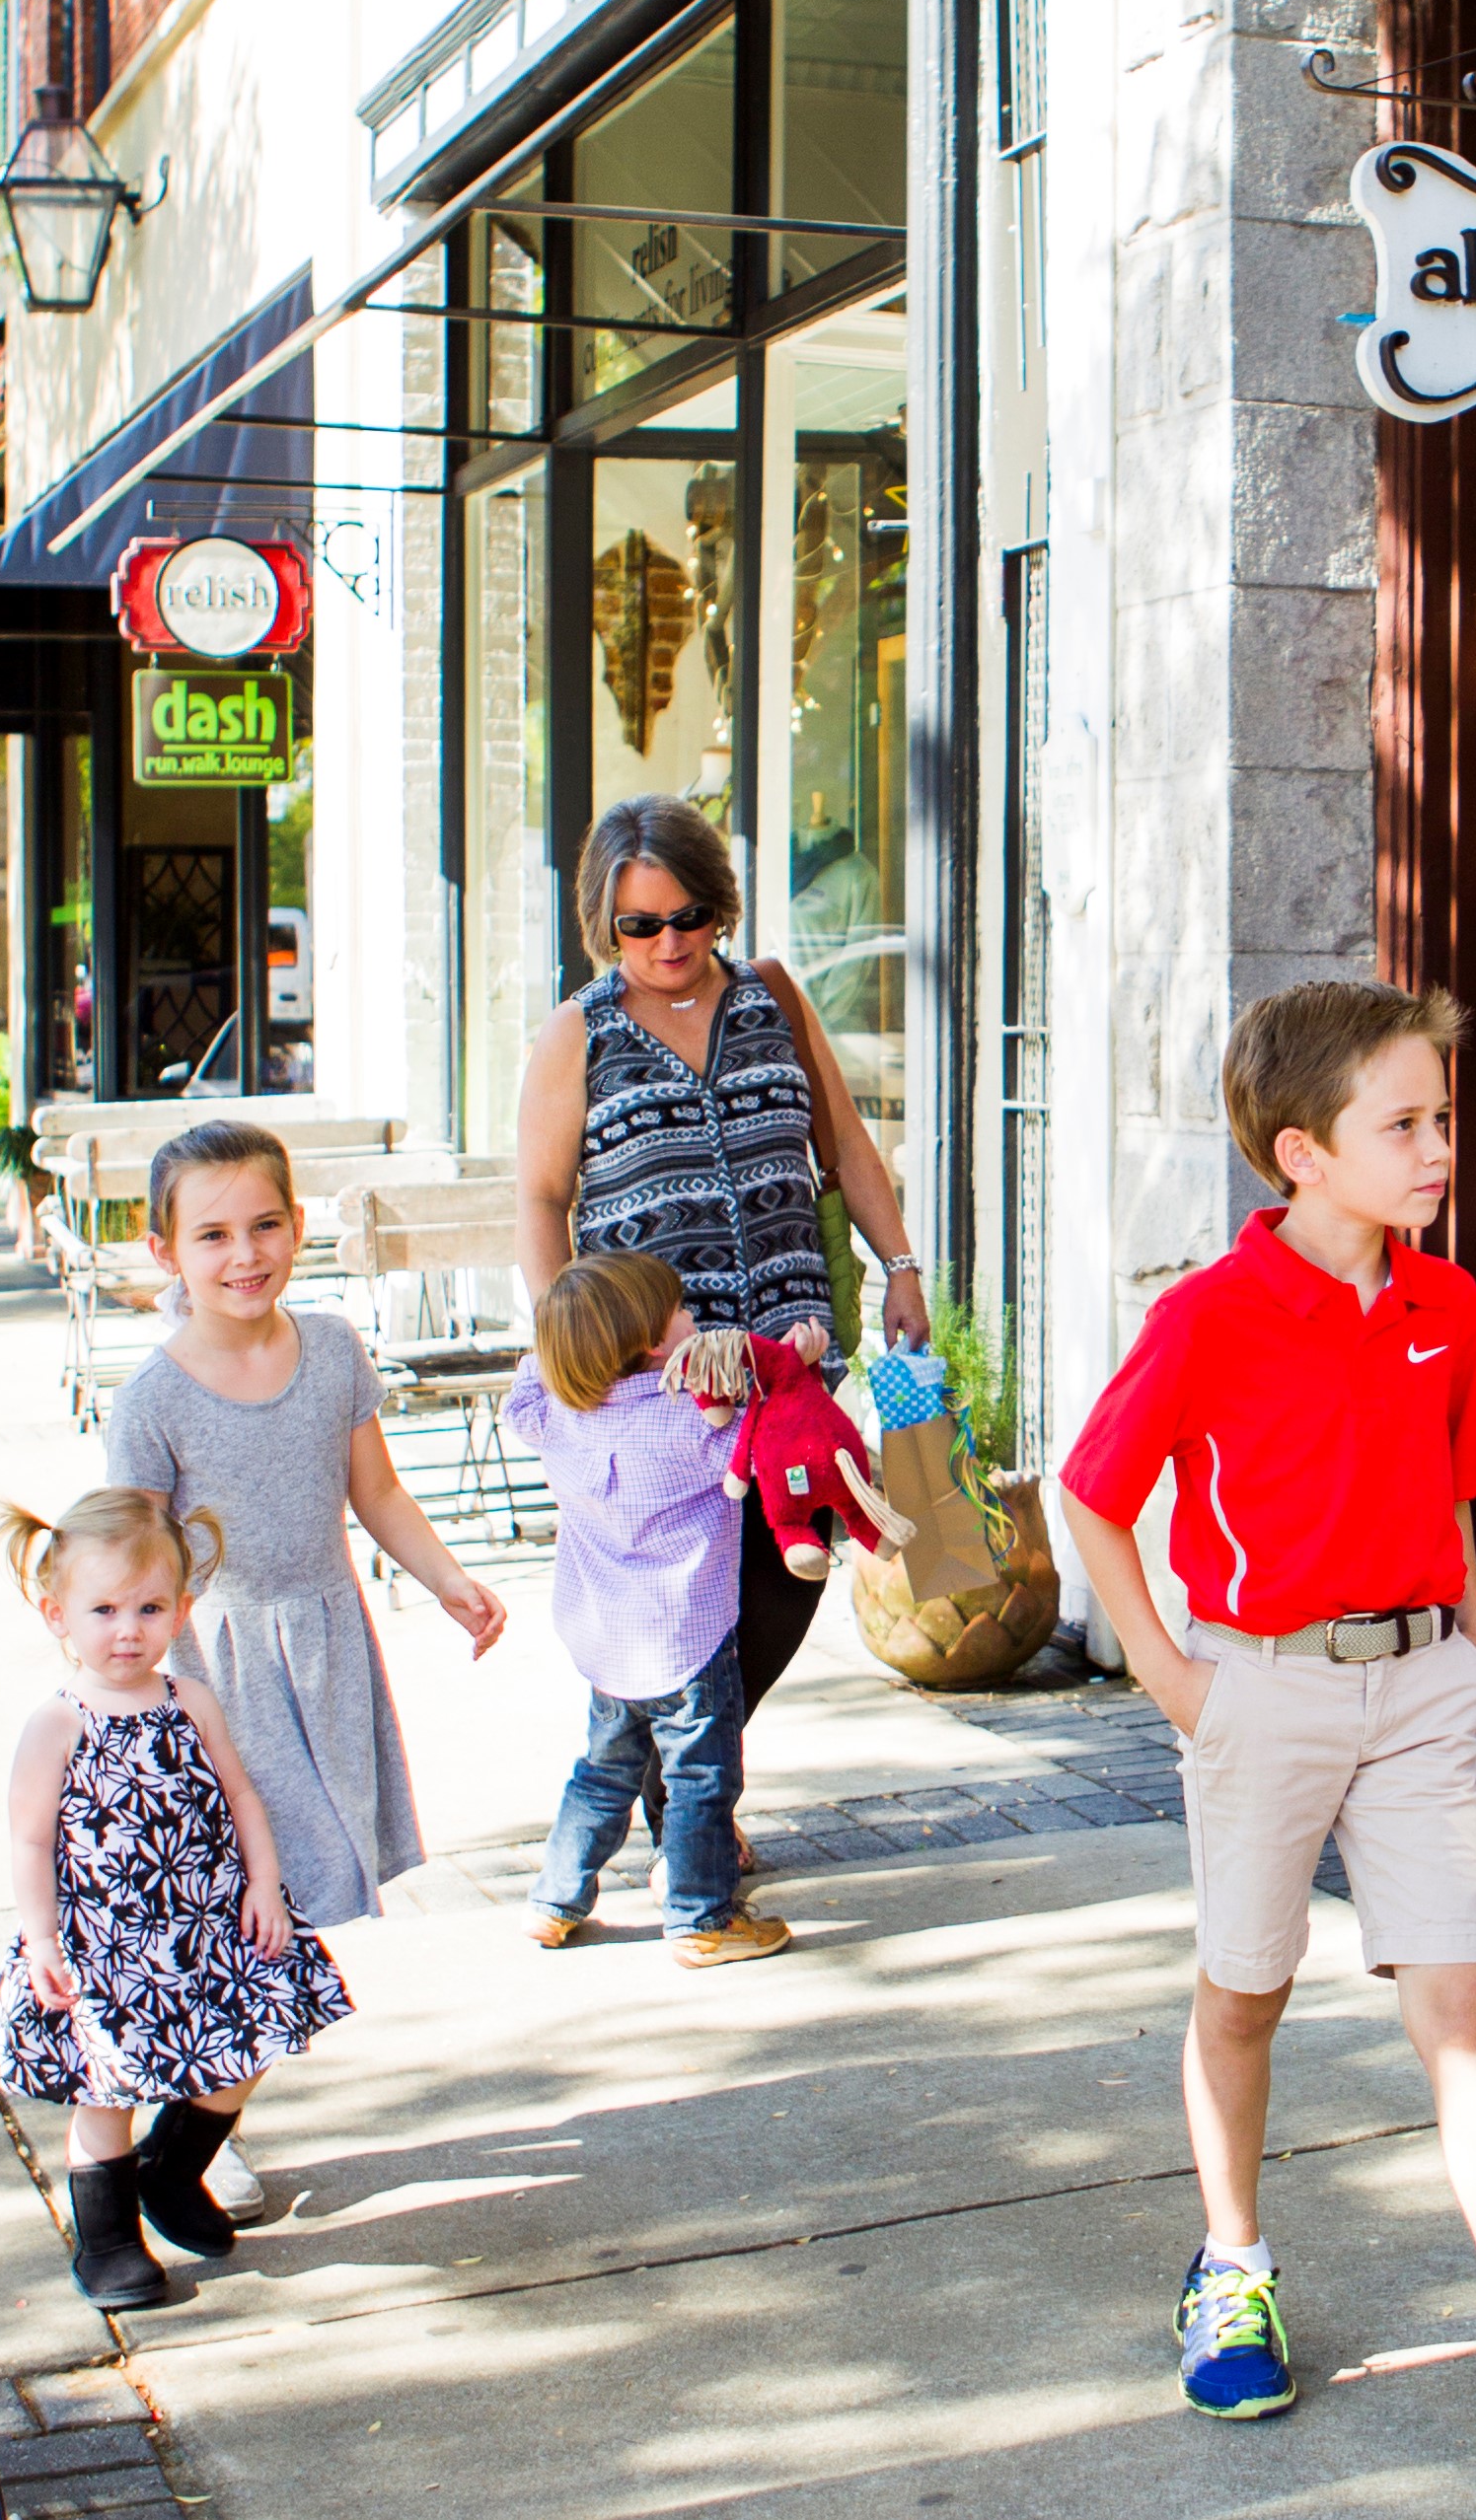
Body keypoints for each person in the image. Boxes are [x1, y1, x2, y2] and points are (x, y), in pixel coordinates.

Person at [1057, 978, 1476, 2472]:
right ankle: (1229, 2268)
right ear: (1300, 1153)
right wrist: (1170, 1674)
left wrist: (1468, 1642)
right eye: (1401, 1122)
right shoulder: (1210, 1314)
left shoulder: (1449, 1303)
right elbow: (1089, 1492)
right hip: (1257, 1684)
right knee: (1246, 1987)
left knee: (1461, 2008)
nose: (1437, 1147)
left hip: (1416, 1690)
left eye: (1439, 1117)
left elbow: (1445, 1484)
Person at [106, 1120, 504, 2218]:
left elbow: (375, 1494)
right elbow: (136, 1558)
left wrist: (446, 1580)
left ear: (298, 1224)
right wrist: (135, 1694)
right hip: (213, 1673)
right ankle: (190, 2128)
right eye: (215, 1234)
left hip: (322, 1649)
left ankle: (200, 2110)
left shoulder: (330, 1349)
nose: (246, 1254)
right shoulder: (155, 1397)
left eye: (267, 1224)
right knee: (247, 1901)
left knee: (294, 1895)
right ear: (164, 1252)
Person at [515, 793, 929, 1774]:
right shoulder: (579, 1034)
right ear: (602, 923)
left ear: (721, 905)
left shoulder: (773, 994)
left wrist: (901, 1262)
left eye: (690, 916)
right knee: (672, 1599)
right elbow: (538, 1198)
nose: (669, 941)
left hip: (792, 1359)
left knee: (788, 1575)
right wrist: (559, 1346)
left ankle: (685, 1777)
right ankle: (689, 1805)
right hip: (659, 1376)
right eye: (641, 924)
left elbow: (848, 1146)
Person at [0, 1488, 353, 2310]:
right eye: (103, 1609)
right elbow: (30, 1840)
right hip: (104, 1944)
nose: (127, 1629)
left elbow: (242, 1797)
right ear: (56, 1615)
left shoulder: (190, 1701)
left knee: (245, 2050)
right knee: (106, 2091)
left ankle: (172, 2169)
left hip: (209, 1922)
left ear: (182, 1610)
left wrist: (262, 1883)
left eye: (148, 1608)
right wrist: (42, 1941)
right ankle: (108, 2241)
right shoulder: (59, 1723)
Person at [500, 1251, 792, 1968]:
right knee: (701, 1780)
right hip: (689, 1644)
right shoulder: (690, 1427)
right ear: (659, 1345)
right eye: (683, 1311)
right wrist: (798, 1360)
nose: (695, 1317)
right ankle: (701, 1919)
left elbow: (521, 1397)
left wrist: (556, 1345)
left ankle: (554, 1901)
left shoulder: (558, 1421)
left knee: (601, 1773)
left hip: (607, 1648)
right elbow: (766, 1424)